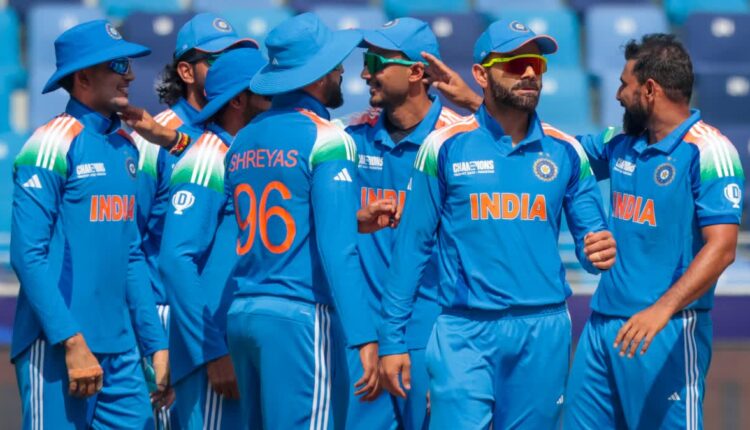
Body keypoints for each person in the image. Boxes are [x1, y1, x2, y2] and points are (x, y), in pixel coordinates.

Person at [378, 19, 616, 429]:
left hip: (543, 330)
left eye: (537, 65)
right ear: (481, 74)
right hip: (464, 330)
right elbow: (412, 247)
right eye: (516, 64)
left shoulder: (566, 151)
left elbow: (590, 241)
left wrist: (597, 252)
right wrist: (392, 339)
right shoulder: (443, 146)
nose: (530, 73)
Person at [563, 34, 744, 429]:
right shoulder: (621, 142)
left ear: (649, 89)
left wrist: (661, 310)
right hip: (601, 328)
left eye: (624, 84)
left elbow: (723, 249)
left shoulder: (710, 151)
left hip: (667, 329)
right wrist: (479, 105)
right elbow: (555, 151)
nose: (617, 95)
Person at [223, 13, 381, 429]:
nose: (342, 71)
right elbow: (338, 248)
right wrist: (364, 334)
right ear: (317, 75)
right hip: (300, 316)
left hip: (244, 312)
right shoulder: (328, 138)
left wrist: (352, 219)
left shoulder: (242, 139)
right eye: (335, 64)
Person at [10, 20, 170, 429]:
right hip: (58, 347)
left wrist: (156, 343)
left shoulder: (126, 146)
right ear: (82, 78)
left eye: (128, 64)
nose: (130, 75)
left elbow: (130, 253)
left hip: (120, 351)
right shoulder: (50, 143)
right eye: (117, 65)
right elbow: (27, 255)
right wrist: (71, 340)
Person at [343, 17, 464, 430]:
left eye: (376, 62)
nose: (365, 73)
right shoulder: (347, 136)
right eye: (365, 62)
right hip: (362, 339)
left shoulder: (458, 141)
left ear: (416, 72)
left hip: (433, 336)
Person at [159, 47, 269, 429]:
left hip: (239, 347)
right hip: (215, 358)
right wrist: (211, 352)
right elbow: (175, 259)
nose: (275, 99)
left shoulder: (245, 154)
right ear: (238, 101)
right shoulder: (207, 156)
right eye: (264, 92)